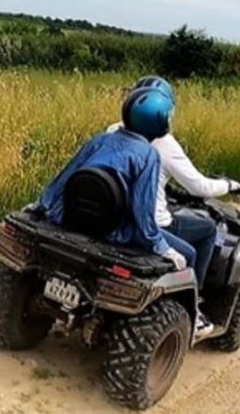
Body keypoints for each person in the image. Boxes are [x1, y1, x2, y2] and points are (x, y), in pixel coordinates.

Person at [36, 85, 215, 336]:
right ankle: (192, 318)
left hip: (73, 219)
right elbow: (143, 213)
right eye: (168, 116)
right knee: (188, 253)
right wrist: (162, 247)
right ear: (158, 120)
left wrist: (40, 206)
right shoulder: (148, 155)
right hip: (116, 232)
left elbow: (63, 179)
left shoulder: (100, 140)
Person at [108, 77, 240, 334]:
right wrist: (228, 184)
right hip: (150, 224)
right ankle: (193, 310)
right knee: (206, 230)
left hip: (113, 213)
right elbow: (199, 187)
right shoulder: (163, 144)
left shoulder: (113, 129)